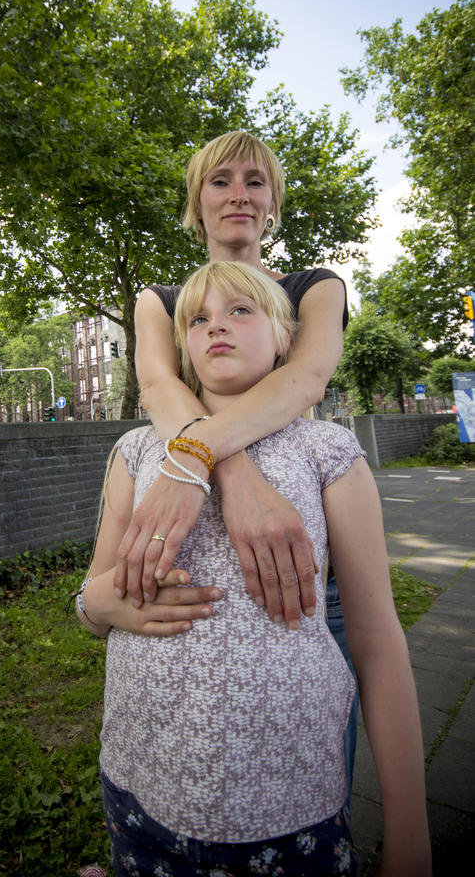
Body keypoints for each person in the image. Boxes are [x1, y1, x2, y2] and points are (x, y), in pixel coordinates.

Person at [77, 261, 431, 877]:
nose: (217, 327)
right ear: (182, 345)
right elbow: (92, 599)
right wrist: (95, 605)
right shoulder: (135, 453)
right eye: (198, 319)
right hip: (141, 786)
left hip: (292, 805)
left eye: (240, 311)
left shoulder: (330, 453)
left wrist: (410, 836)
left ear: (285, 336)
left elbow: (377, 641)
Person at [115, 129, 359, 802]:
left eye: (255, 181)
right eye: (219, 181)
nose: (238, 195)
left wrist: (194, 452)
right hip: (203, 559)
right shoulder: (162, 304)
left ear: (273, 200)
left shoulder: (315, 289)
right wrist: (233, 473)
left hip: (303, 545)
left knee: (319, 739)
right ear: (196, 203)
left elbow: (303, 382)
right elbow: (161, 391)